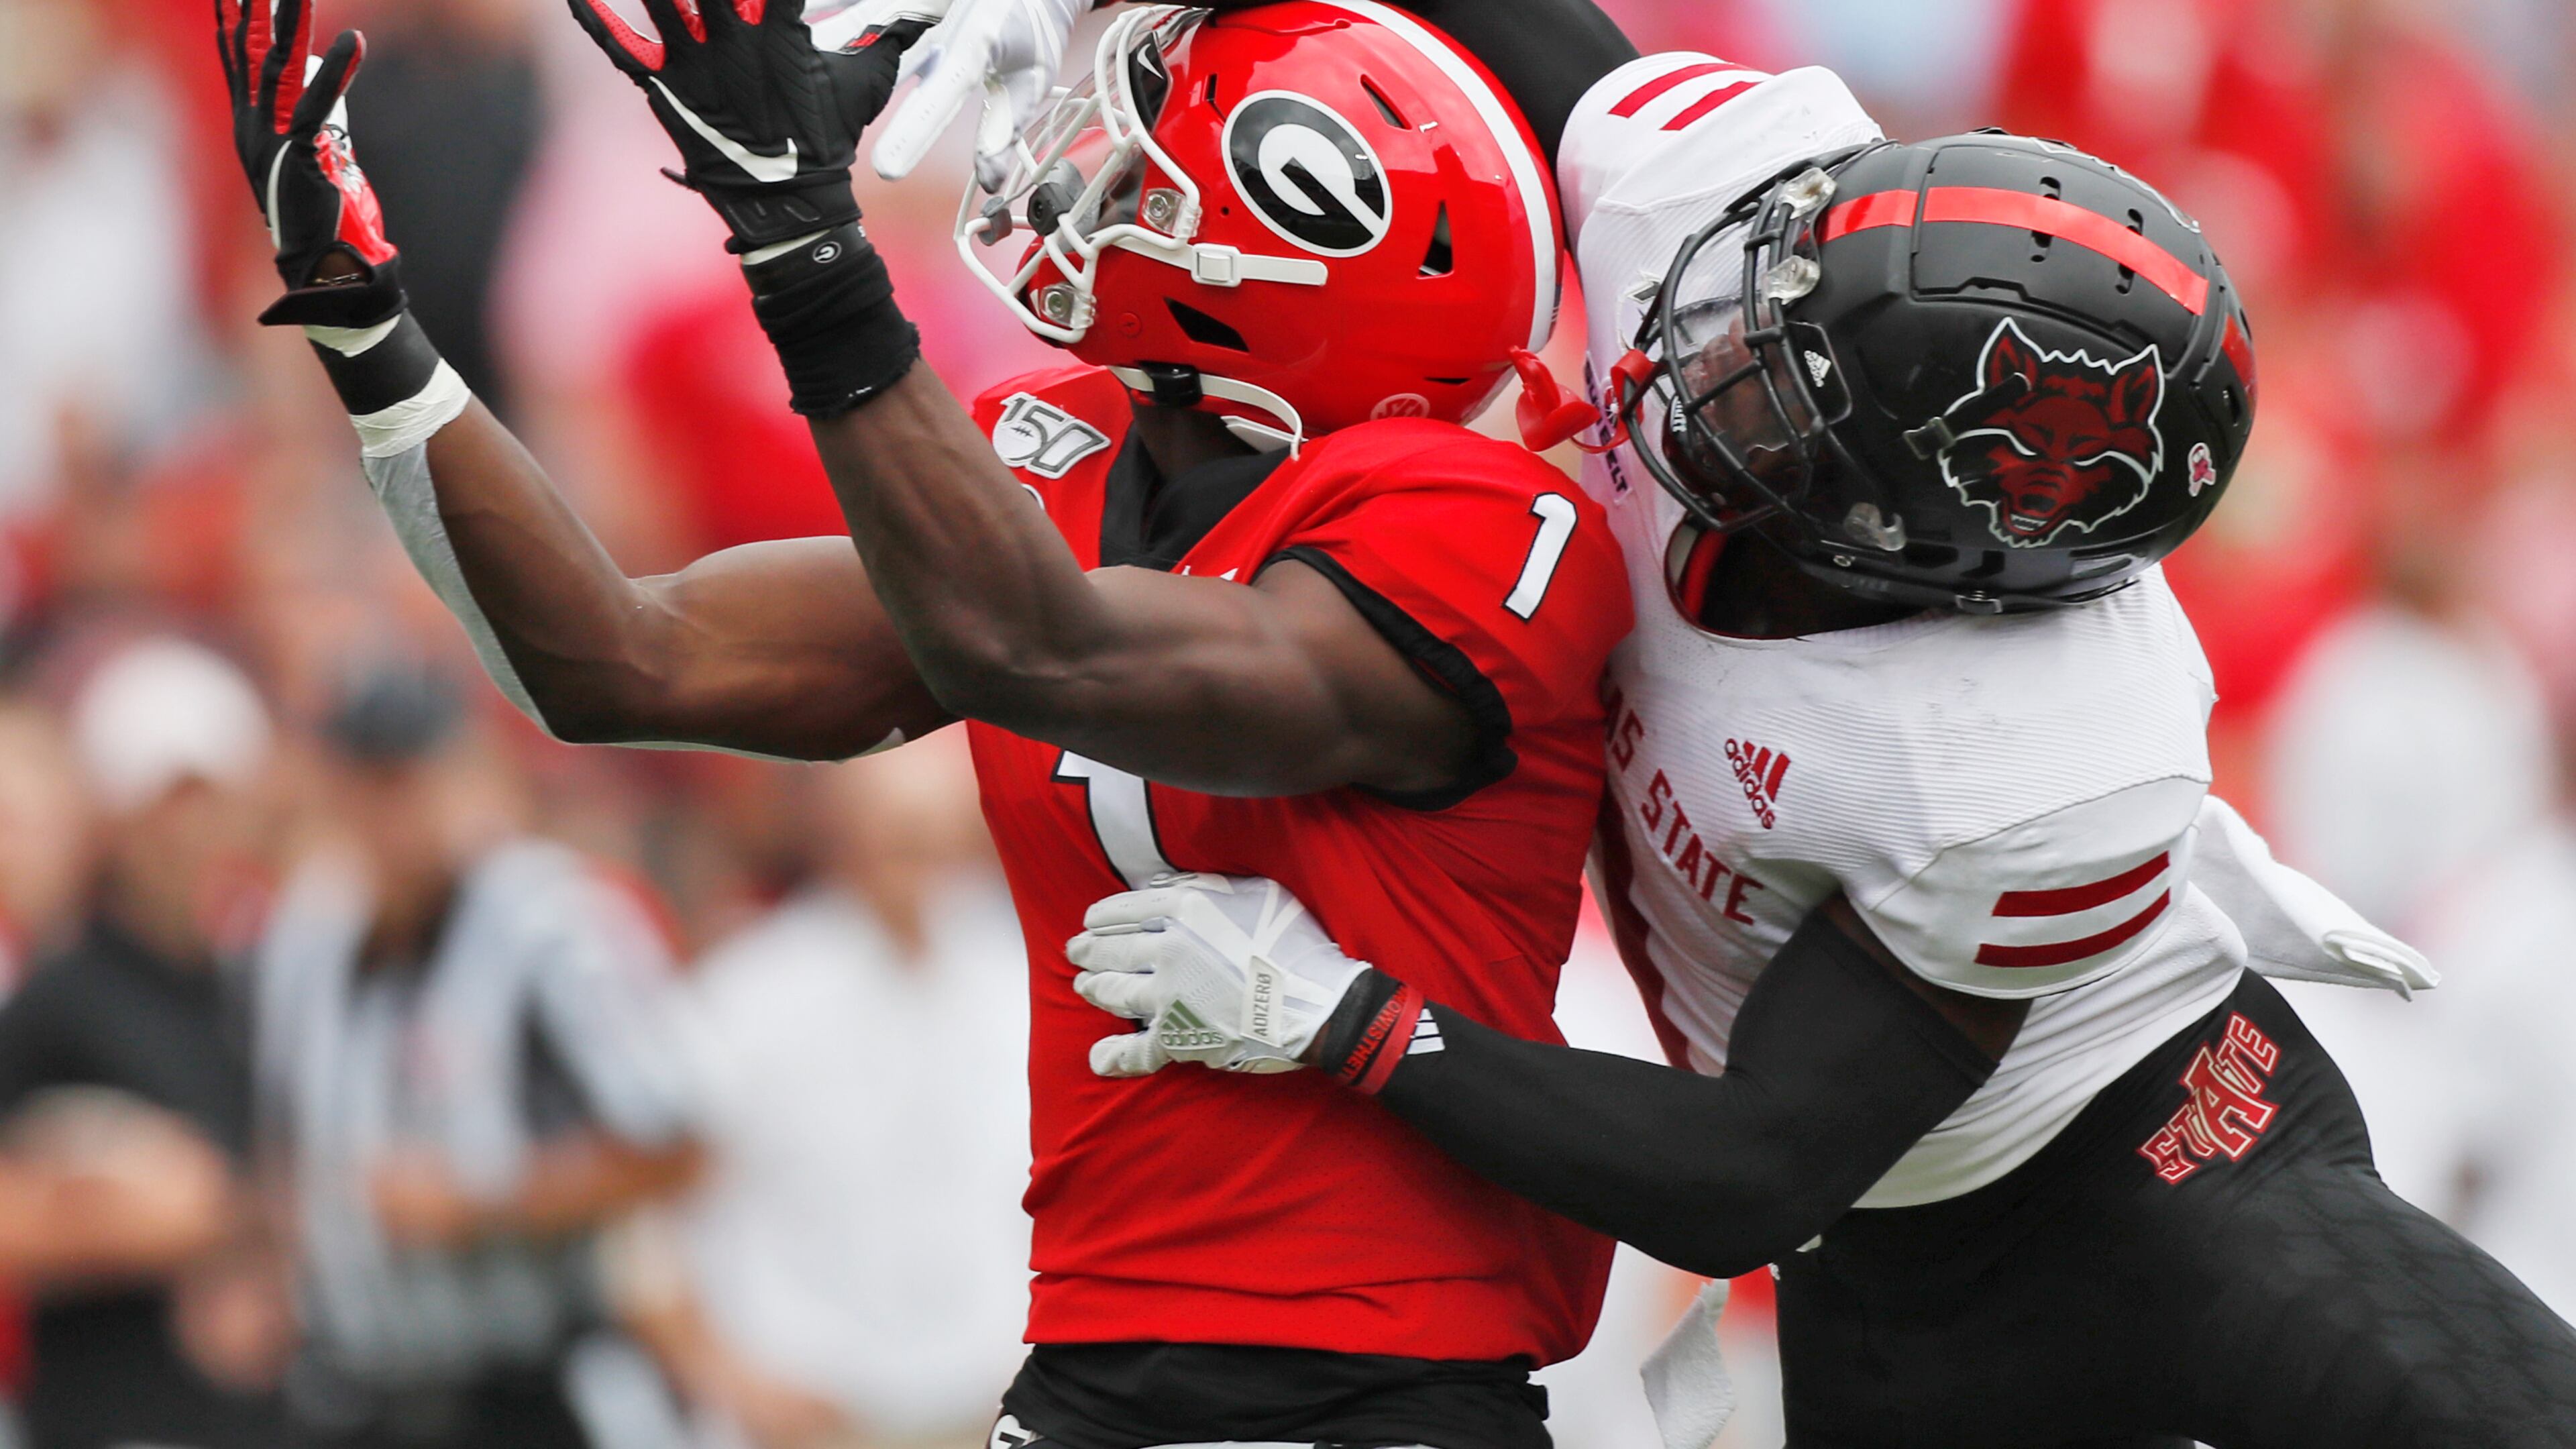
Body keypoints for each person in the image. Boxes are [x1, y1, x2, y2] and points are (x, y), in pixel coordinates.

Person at [1039, 19, 2576, 1449]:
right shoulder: (1731, 202)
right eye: (1756, 314)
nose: (1695, 361)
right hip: (1876, 1264)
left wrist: (1348, 1019)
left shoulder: (2033, 759)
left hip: (2162, 1170)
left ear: (1932, 554)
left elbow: (1749, 1170)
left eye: (1778, 405)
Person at [212, 2, 1633, 1446]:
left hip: (1374, 1385)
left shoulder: (1479, 526)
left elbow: (1048, 650)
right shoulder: (1070, 470)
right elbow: (615, 663)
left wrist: (806, 252)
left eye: (1150, 162)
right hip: (1091, 1366)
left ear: (1303, 249)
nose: (1094, 174)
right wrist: (361, 320)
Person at [254, 661, 704, 1448]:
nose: (389, 813)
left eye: (408, 781)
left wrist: (483, 1201)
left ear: (470, 775)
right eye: (367, 783)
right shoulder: (305, 937)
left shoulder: (554, 925)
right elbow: (286, 1149)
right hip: (359, 1392)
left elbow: (679, 1148)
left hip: (529, 1387)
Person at [623, 735, 1029, 1448]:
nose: (926, 874)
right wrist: (727, 1379)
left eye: (945, 845)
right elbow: (646, 1219)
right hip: (814, 1416)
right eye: (902, 844)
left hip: (992, 1410)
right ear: (841, 840)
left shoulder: (1021, 987)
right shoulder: (746, 997)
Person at [0, 637, 290, 1449]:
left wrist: (237, 1223)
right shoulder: (56, 1000)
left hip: (264, 1414)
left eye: (208, 801)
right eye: (164, 805)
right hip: (108, 1408)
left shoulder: (272, 978)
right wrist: (102, 1216)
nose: (189, 833)